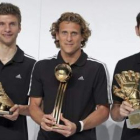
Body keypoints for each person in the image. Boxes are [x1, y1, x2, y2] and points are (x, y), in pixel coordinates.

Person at [29, 12, 111, 140]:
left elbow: (104, 110)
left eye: (74, 33)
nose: (69, 39)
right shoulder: (41, 66)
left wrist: (78, 126)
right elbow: (33, 105)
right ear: (57, 35)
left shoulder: (96, 68)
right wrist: (42, 120)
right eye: (64, 33)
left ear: (82, 36)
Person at [0, 3, 36, 140]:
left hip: (15, 135)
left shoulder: (32, 65)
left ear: (19, 27)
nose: (7, 29)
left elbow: (39, 107)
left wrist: (20, 109)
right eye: (2, 24)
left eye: (12, 24)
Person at [111, 12, 140, 140]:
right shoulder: (125, 65)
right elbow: (115, 112)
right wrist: (121, 112)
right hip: (133, 133)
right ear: (137, 30)